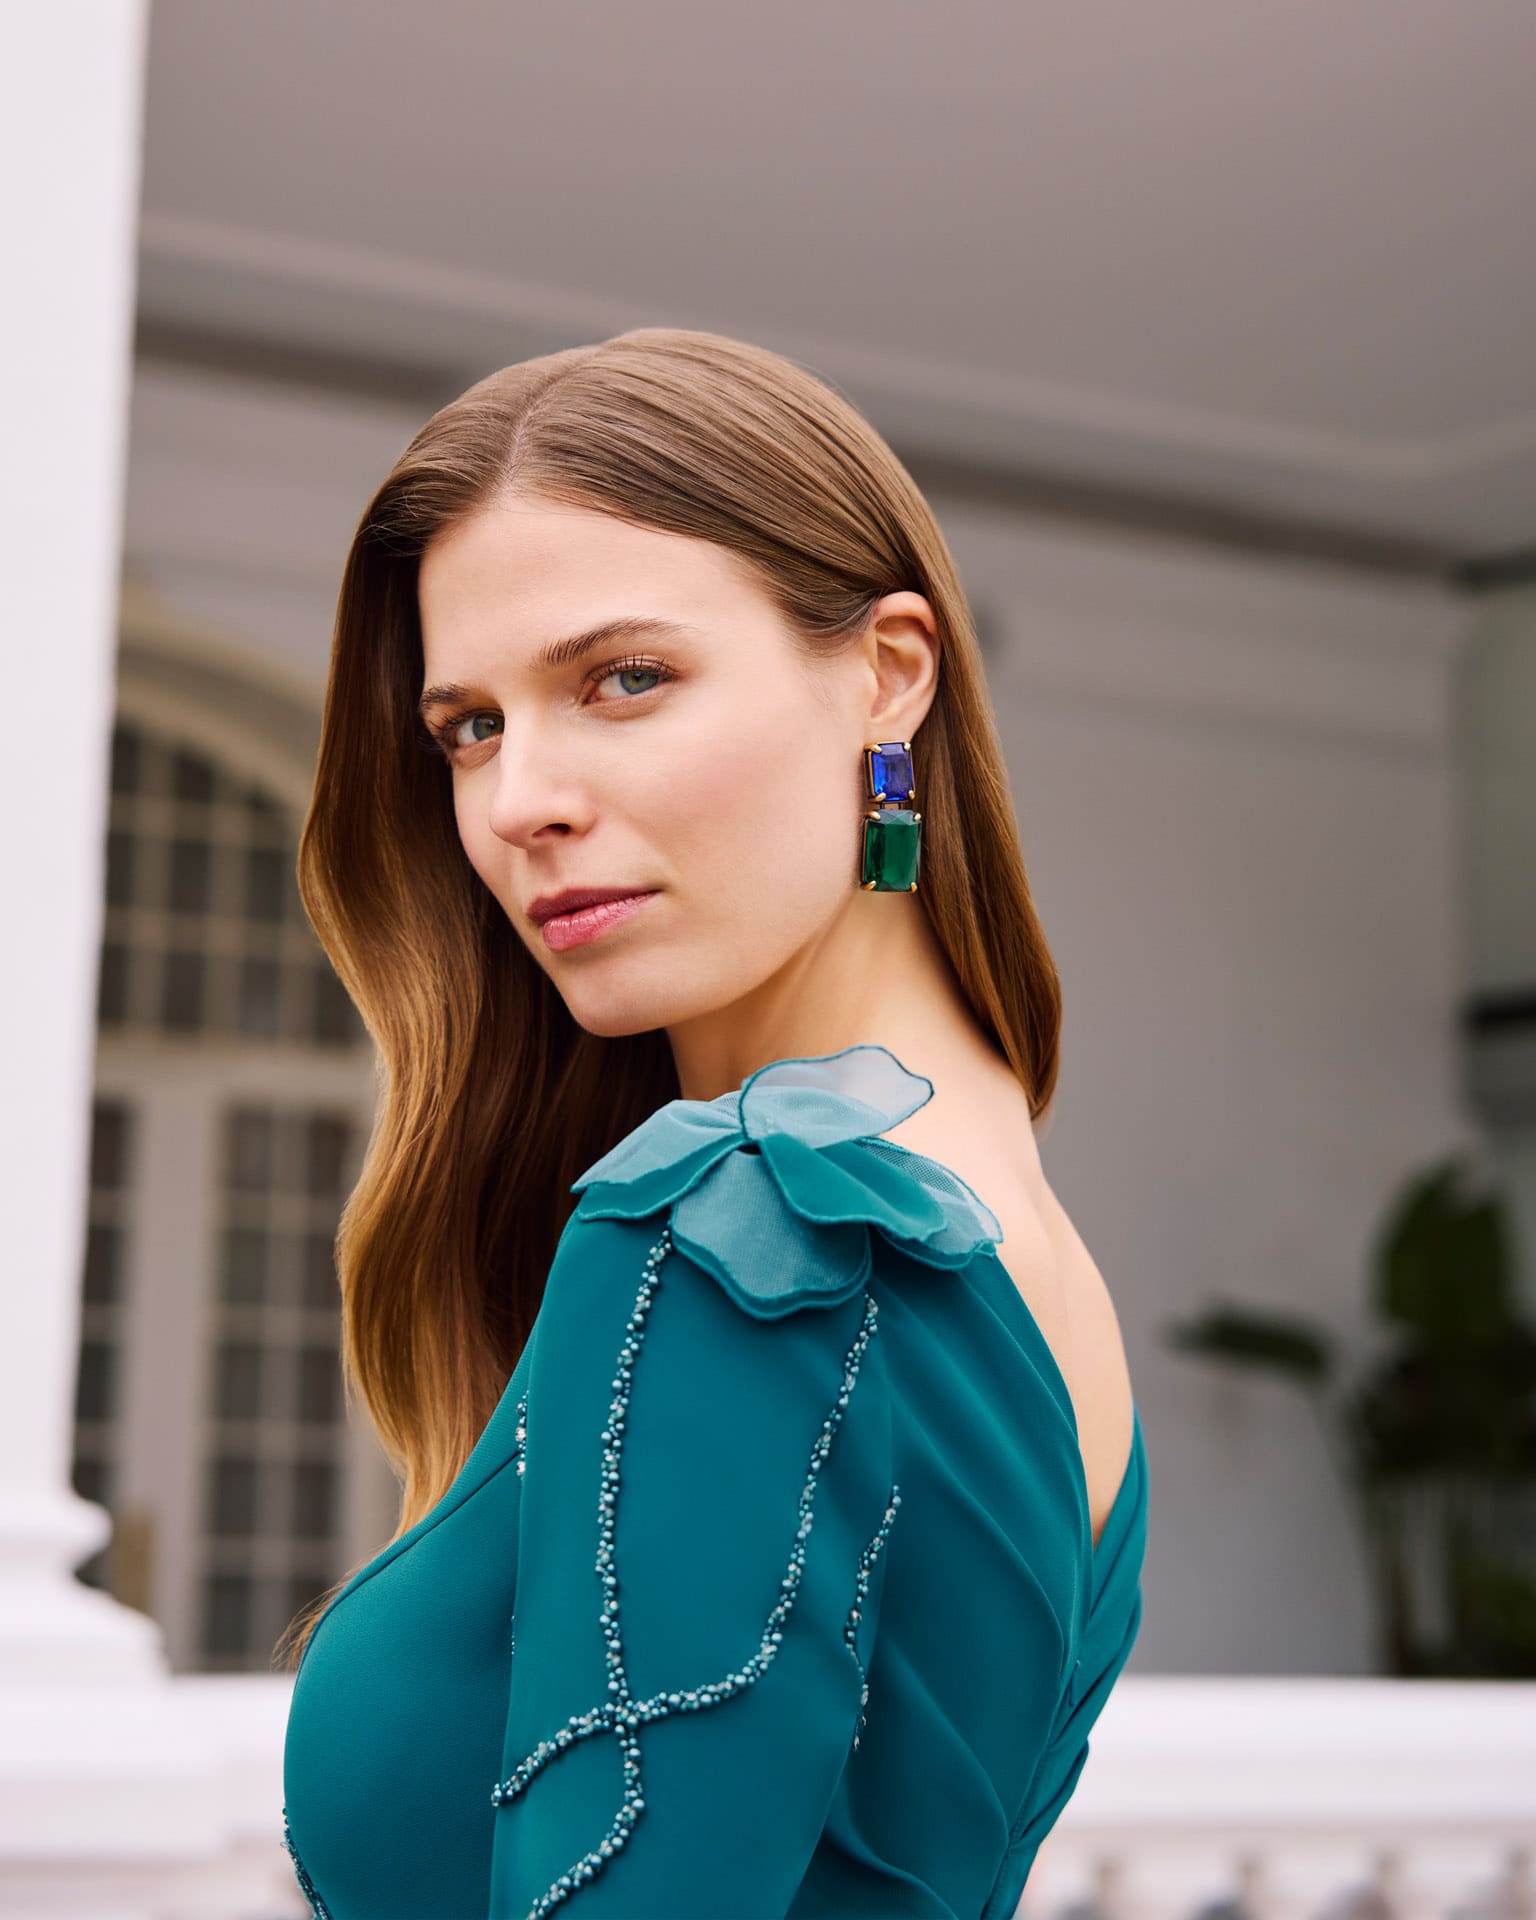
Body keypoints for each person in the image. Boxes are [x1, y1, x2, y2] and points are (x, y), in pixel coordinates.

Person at [278, 327, 1146, 1920]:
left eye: (625, 679)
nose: (518, 801)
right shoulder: (997, 1215)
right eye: (469, 727)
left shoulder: (754, 1229)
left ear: (889, 673)